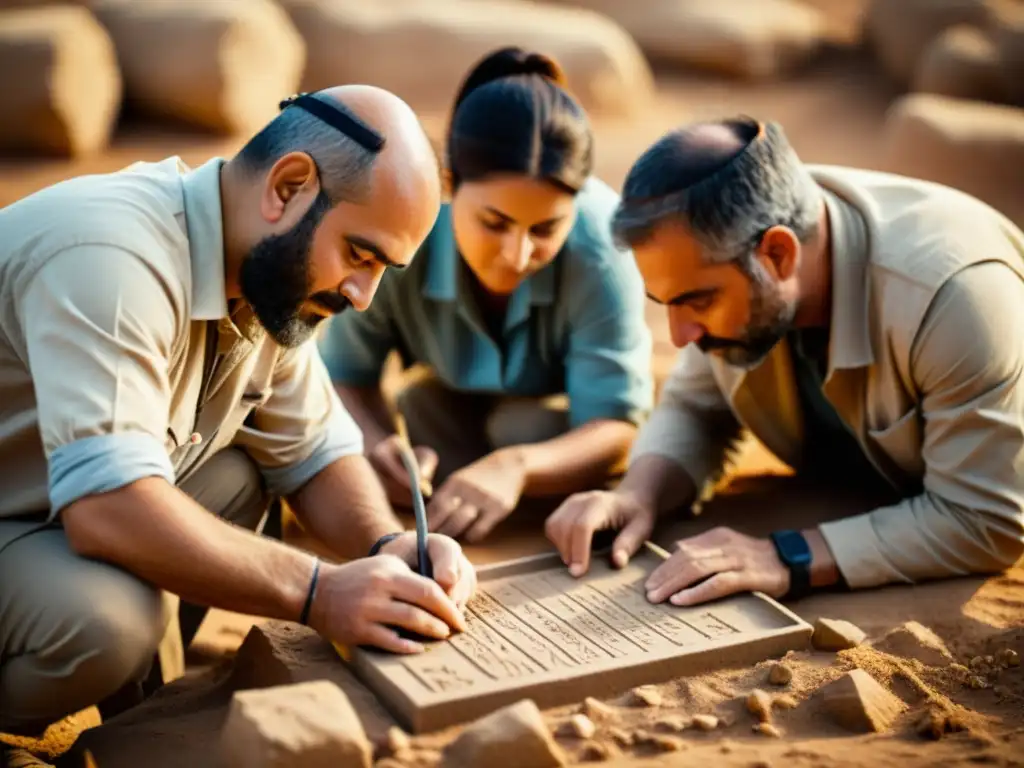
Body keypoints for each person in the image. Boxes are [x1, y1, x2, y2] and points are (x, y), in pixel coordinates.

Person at [0, 85, 478, 753]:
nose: (363, 297)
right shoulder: (110, 258)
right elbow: (106, 508)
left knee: (241, 471)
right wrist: (319, 593)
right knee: (105, 624)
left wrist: (386, 546)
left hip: (36, 502)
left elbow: (314, 451)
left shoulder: (261, 276)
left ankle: (140, 718)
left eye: (383, 271)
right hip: (44, 513)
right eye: (361, 256)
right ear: (287, 187)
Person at [546, 115, 1024, 606]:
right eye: (663, 302)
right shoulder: (731, 244)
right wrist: (638, 493)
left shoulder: (953, 297)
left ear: (778, 254)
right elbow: (696, 407)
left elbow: (984, 517)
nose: (680, 335)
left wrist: (788, 556)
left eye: (698, 301)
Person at [318, 47, 653, 544]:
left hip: (548, 434)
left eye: (545, 228)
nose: (517, 255)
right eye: (494, 224)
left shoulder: (602, 245)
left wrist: (517, 466)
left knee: (521, 428)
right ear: (447, 185)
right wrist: (375, 442)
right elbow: (344, 377)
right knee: (419, 410)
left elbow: (615, 423)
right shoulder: (401, 229)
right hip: (443, 421)